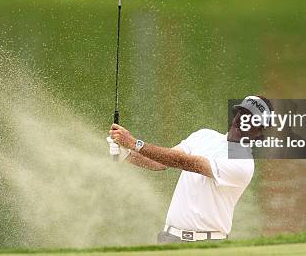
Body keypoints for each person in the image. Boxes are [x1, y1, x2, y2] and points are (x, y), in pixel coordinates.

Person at [107, 95, 272, 243]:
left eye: (252, 120)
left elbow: (187, 163)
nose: (242, 121)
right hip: (169, 239)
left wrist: (136, 144)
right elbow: (162, 162)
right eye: (242, 114)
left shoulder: (243, 164)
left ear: (260, 131)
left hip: (208, 244)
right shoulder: (205, 136)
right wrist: (126, 154)